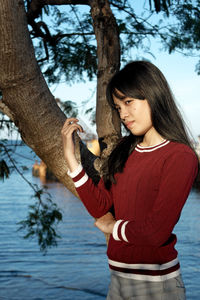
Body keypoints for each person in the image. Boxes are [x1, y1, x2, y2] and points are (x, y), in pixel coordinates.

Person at [61, 61, 199, 300]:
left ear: (153, 95)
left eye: (128, 102)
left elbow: (156, 232)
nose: (123, 114)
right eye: (118, 107)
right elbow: (101, 206)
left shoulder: (180, 156)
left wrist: (112, 227)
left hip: (157, 286)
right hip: (117, 282)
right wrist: (72, 162)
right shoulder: (126, 148)